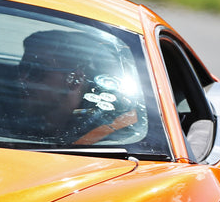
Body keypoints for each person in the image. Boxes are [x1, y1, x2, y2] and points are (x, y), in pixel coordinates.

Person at [15, 29, 144, 144]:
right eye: (23, 67)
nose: (22, 79)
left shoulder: (109, 139)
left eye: (36, 70)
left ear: (74, 80)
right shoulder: (18, 121)